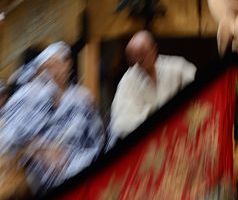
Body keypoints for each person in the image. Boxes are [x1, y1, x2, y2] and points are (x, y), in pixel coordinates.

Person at [21, 41, 105, 191]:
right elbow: (22, 140)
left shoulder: (83, 96)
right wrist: (41, 149)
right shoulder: (33, 101)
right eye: (49, 66)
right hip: (49, 174)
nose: (55, 70)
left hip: (86, 161)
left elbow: (96, 135)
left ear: (68, 65)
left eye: (59, 63)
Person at [109, 31, 197, 139]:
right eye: (134, 57)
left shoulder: (176, 67)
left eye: (142, 54)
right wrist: (151, 112)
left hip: (180, 134)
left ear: (154, 50)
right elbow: (121, 124)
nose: (138, 61)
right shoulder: (127, 81)